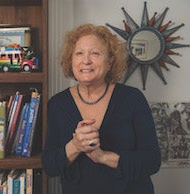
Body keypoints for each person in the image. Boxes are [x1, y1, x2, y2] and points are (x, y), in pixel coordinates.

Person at [41, 24, 161, 194]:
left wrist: (103, 157)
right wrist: (75, 146)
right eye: (79, 53)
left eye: (95, 53)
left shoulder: (133, 99)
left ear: (110, 61)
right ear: (71, 60)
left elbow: (152, 161)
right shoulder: (57, 104)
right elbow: (50, 166)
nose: (86, 61)